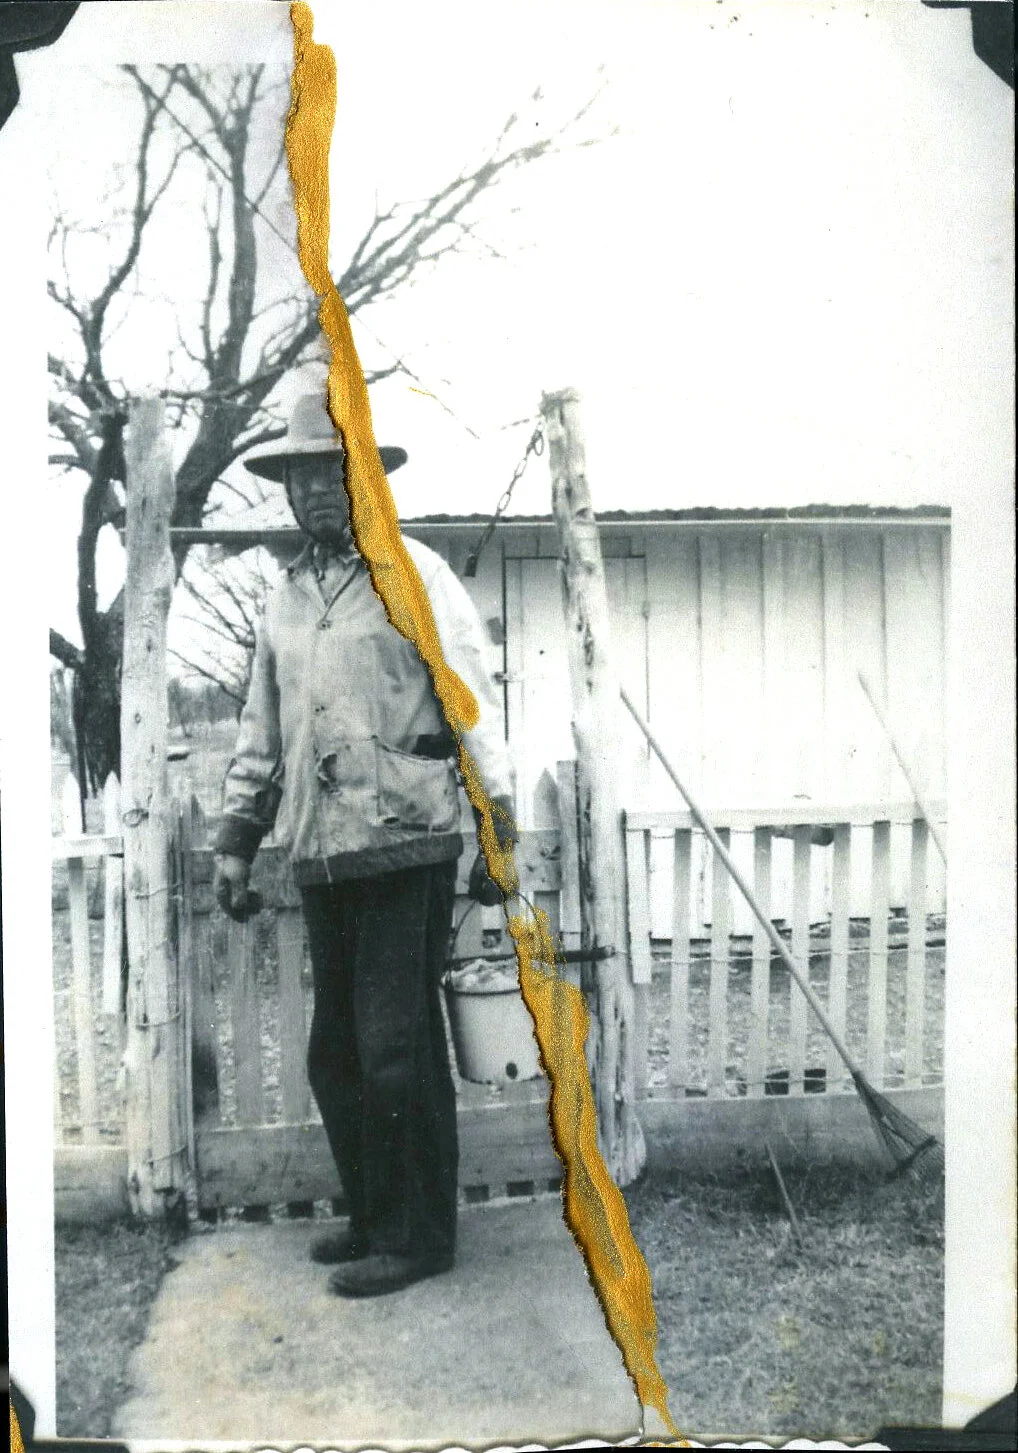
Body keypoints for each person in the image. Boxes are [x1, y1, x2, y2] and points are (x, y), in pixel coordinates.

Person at [212, 392, 515, 1298]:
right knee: (336, 1056)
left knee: (395, 1048)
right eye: (301, 475)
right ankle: (378, 1215)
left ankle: (418, 1237)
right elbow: (262, 732)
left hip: (407, 843)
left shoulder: (416, 575)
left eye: (333, 472)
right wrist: (238, 840)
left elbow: (471, 701)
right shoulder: (285, 598)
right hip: (321, 851)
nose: (316, 490)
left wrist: (496, 823)